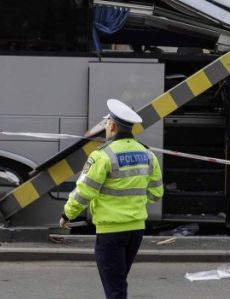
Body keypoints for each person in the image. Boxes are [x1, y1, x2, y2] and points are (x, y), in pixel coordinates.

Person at [60, 99, 163, 299]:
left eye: (106, 122)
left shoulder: (102, 156)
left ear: (113, 126)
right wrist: (134, 204)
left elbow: (84, 192)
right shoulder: (147, 154)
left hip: (111, 233)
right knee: (118, 282)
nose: (106, 126)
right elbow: (156, 193)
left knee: (115, 290)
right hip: (136, 231)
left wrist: (67, 214)